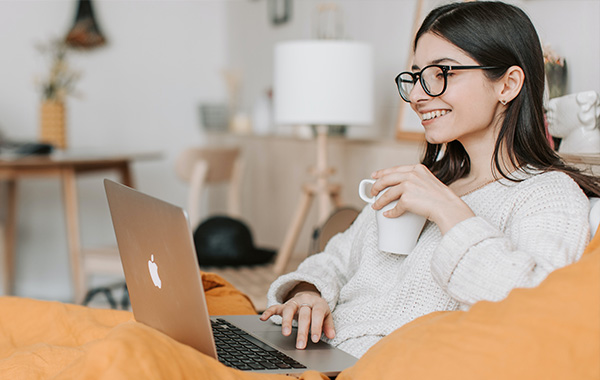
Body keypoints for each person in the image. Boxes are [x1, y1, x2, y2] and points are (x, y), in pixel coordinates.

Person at [260, 1, 600, 359]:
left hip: (375, 365)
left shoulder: (546, 195)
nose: (419, 95)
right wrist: (309, 293)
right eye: (417, 76)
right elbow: (335, 259)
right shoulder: (425, 181)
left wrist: (449, 212)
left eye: (442, 73)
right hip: (314, 350)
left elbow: (535, 307)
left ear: (508, 84)